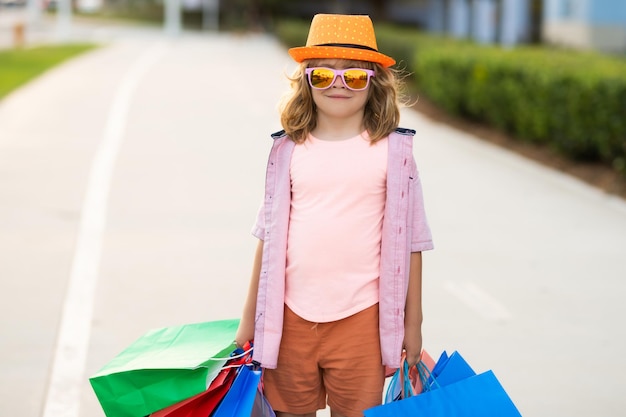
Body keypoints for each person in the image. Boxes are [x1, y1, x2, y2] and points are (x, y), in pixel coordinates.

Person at [235, 13, 434, 417]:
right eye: (323, 76)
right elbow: (268, 238)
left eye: (354, 77)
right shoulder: (287, 151)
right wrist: (247, 322)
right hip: (289, 318)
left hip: (362, 320)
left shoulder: (394, 155)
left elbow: (413, 242)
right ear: (306, 82)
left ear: (374, 82)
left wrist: (413, 324)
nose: (338, 85)